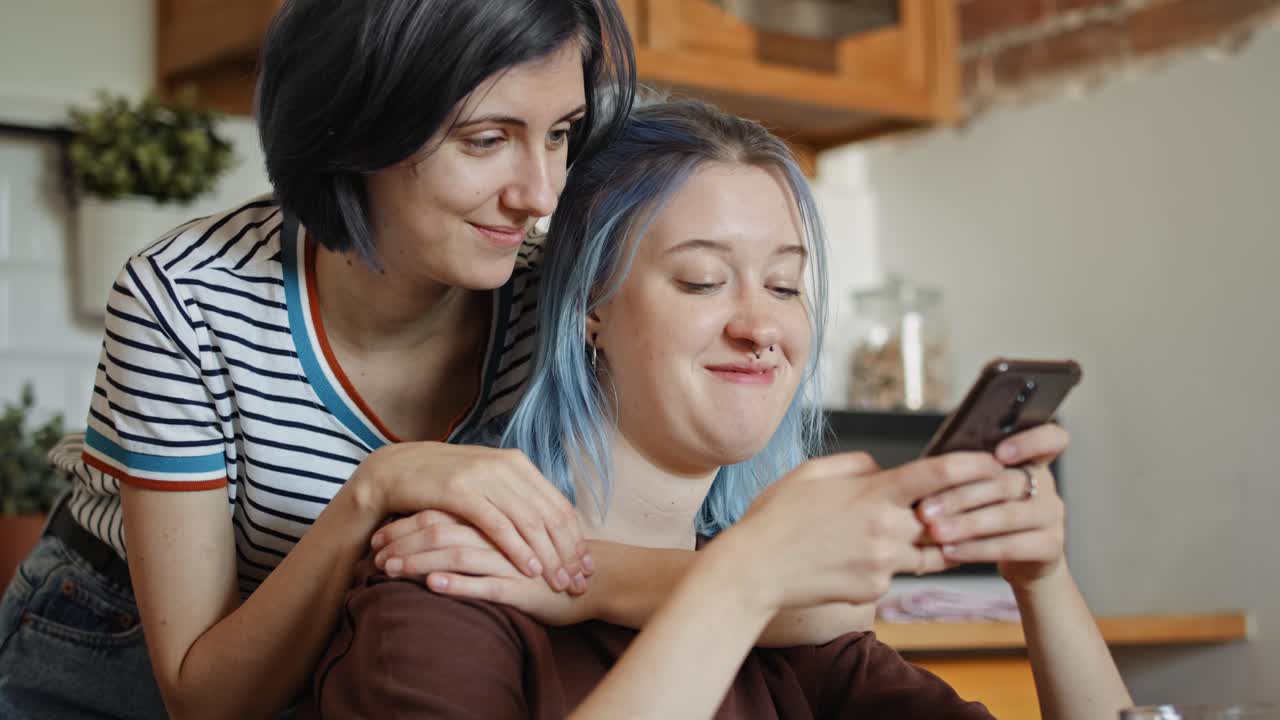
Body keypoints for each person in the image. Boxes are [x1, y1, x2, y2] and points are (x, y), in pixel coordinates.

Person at [0, 4, 876, 719]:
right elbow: (203, 696)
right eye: (487, 139)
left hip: (342, 650)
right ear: (362, 129)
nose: (538, 193)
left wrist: (582, 586)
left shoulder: (553, 294)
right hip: (112, 654)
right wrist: (376, 491)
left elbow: (817, 600)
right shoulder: (186, 300)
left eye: (560, 134)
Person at [307, 100, 1134, 720]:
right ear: (590, 307)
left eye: (785, 284)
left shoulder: (797, 633)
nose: (762, 325)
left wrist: (1045, 579)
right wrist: (742, 578)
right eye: (703, 279)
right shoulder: (445, 587)